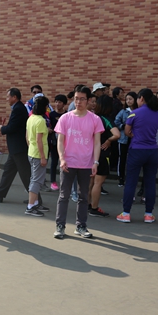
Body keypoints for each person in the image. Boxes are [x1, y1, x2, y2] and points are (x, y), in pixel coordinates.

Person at [53, 86, 103, 239]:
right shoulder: (65, 118)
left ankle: (81, 226)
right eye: (76, 99)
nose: (78, 102)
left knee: (83, 197)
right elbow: (60, 141)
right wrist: (62, 158)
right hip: (68, 163)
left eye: (82, 99)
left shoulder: (95, 119)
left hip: (86, 164)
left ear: (88, 100)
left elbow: (97, 143)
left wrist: (95, 162)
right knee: (64, 196)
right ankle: (60, 226)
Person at [116, 89, 158, 223]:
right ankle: (148, 214)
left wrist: (135, 136)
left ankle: (126, 213)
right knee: (150, 183)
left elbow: (127, 131)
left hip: (136, 150)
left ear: (141, 98)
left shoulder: (134, 113)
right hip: (152, 151)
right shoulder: (157, 115)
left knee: (131, 181)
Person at [0, 88, 32, 203]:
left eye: (8, 97)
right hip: (15, 149)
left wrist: (2, 128)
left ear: (14, 97)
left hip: (18, 148)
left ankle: (35, 199)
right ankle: (0, 194)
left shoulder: (18, 109)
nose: (7, 99)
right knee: (8, 171)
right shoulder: (18, 108)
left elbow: (12, 128)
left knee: (25, 174)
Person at [88, 96, 120, 217]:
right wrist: (108, 140)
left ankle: (87, 205)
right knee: (98, 183)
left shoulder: (91, 117)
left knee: (90, 182)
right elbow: (117, 134)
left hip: (90, 152)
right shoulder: (106, 119)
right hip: (101, 153)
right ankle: (94, 208)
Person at [25, 96, 51, 217]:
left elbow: (27, 137)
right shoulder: (40, 121)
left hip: (32, 152)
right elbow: (39, 140)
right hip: (38, 154)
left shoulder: (31, 118)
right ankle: (30, 206)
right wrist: (42, 157)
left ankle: (35, 203)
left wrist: (31, 147)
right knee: (36, 180)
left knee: (34, 179)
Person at [115, 91, 137, 187]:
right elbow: (116, 121)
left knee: (133, 159)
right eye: (127, 99)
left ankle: (131, 177)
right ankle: (121, 178)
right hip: (124, 138)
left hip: (134, 138)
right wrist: (123, 126)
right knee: (122, 158)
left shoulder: (138, 111)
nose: (128, 101)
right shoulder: (123, 111)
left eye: (130, 99)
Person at [48, 94, 67, 191]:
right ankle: (53, 181)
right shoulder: (51, 115)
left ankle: (66, 181)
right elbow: (48, 125)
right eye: (56, 102)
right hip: (54, 142)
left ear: (64, 104)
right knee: (54, 162)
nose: (57, 104)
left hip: (66, 142)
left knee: (65, 162)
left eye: (59, 102)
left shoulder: (67, 115)